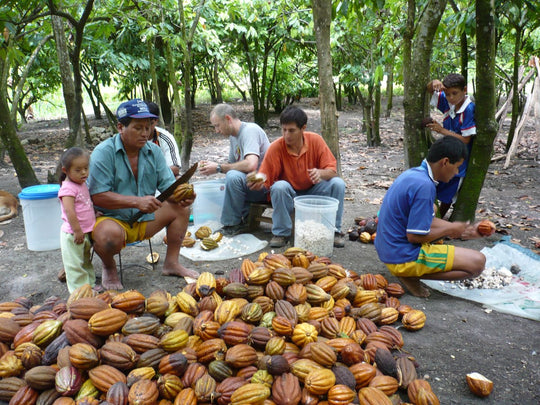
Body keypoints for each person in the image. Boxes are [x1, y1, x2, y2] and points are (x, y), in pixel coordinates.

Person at [88, 99, 198, 290]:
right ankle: (109, 267)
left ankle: (172, 263)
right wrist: (136, 202)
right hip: (110, 220)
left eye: (147, 127)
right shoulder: (103, 153)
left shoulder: (153, 152)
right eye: (138, 128)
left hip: (143, 220)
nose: (145, 133)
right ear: (121, 127)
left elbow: (167, 188)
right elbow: (98, 196)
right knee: (108, 237)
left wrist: (183, 196)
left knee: (182, 208)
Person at [374, 136, 486, 298]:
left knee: (432, 208)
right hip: (402, 255)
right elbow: (414, 236)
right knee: (477, 263)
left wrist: (458, 228)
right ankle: (410, 275)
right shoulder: (425, 186)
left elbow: (424, 219)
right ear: (445, 162)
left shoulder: (414, 174)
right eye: (457, 167)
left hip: (387, 249)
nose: (456, 173)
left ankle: (409, 272)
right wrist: (451, 228)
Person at [248, 105, 346, 248]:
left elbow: (332, 170)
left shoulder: (316, 141)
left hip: (313, 191)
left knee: (338, 184)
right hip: (290, 195)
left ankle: (334, 231)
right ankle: (281, 233)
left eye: (291, 130)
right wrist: (257, 181)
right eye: (284, 130)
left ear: (303, 128)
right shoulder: (276, 147)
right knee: (279, 187)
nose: (287, 135)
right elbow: (265, 177)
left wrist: (320, 173)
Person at [199, 103, 270, 236]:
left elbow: (250, 165)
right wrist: (212, 166)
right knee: (209, 187)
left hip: (262, 185)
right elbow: (232, 165)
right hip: (247, 182)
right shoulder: (233, 137)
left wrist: (219, 167)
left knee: (232, 177)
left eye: (217, 125)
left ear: (228, 119)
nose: (216, 131)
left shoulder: (250, 130)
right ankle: (244, 214)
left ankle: (232, 224)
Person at [426, 73, 476, 219]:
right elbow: (430, 90)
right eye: (448, 94)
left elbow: (466, 140)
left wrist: (442, 131)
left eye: (455, 93)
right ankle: (432, 214)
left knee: (450, 189)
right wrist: (434, 82)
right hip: (447, 153)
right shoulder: (449, 103)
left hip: (460, 158)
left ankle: (439, 217)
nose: (451, 97)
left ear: (464, 90)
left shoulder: (468, 109)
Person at [58, 147, 97, 293]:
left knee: (86, 260)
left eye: (86, 168)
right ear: (65, 170)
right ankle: (78, 292)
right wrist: (77, 230)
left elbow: (85, 204)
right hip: (73, 234)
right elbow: (70, 211)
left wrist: (94, 214)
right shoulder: (68, 189)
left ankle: (90, 285)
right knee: (75, 264)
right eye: (78, 170)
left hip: (84, 232)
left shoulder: (81, 183)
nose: (84, 173)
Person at [146, 102, 181, 176]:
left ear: (156, 121)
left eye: (151, 123)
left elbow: (175, 168)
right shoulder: (129, 138)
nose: (146, 128)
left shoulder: (165, 138)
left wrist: (149, 177)